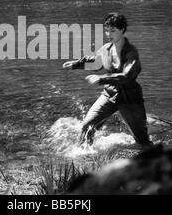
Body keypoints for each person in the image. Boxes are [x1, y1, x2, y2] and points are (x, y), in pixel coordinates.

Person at [63, 13, 153, 149]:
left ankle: (151, 162)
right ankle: (83, 158)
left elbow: (127, 76)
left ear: (122, 30)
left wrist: (101, 79)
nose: (108, 34)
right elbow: (96, 62)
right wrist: (76, 64)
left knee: (142, 142)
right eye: (106, 30)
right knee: (87, 126)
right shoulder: (106, 49)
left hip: (130, 99)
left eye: (112, 30)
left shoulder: (131, 52)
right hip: (109, 94)